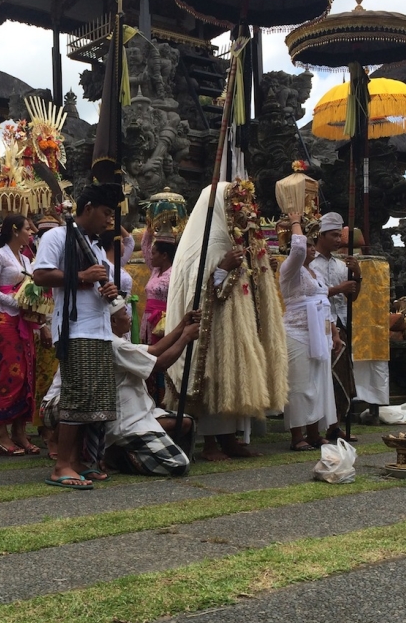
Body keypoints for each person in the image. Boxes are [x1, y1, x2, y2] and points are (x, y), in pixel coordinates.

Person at [164, 180, 288, 461]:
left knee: (234, 377)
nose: (241, 213)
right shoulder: (202, 242)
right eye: (235, 205)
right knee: (214, 377)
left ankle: (228, 439)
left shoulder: (233, 239)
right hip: (213, 326)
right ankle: (209, 444)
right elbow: (197, 287)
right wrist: (222, 268)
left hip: (237, 321)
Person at [33, 182, 122, 489]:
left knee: (93, 399)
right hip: (75, 329)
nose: (109, 220)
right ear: (88, 209)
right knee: (76, 395)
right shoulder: (56, 236)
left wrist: (108, 289)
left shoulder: (95, 246)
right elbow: (40, 274)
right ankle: (60, 465)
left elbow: (94, 285)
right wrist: (82, 276)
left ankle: (76, 461)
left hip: (99, 329)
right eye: (106, 213)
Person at [104, 298, 200, 477]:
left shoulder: (118, 341)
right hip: (128, 422)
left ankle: (147, 450)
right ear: (113, 321)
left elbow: (155, 349)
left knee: (186, 422)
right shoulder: (114, 345)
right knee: (178, 465)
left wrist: (182, 325)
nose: (130, 317)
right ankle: (117, 456)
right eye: (125, 313)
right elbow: (160, 364)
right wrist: (186, 337)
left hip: (142, 413)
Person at [280, 212, 340, 451]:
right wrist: (296, 222)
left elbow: (325, 303)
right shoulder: (290, 269)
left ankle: (315, 433)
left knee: (318, 385)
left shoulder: (316, 274)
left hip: (320, 335)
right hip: (297, 333)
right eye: (308, 242)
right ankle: (297, 435)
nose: (311, 247)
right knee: (299, 385)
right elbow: (297, 251)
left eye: (313, 243)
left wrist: (334, 333)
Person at [0, 215, 41, 455]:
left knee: (28, 373)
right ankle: (0, 430)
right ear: (15, 230)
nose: (31, 233)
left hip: (25, 321)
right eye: (28, 229)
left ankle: (19, 430)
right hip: (6, 318)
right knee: (12, 373)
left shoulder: (28, 260)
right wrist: (16, 302)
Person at [309, 212, 360, 442]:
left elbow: (353, 297)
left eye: (340, 235)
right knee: (322, 377)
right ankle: (315, 427)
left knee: (341, 376)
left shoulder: (342, 264)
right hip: (319, 323)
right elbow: (312, 292)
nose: (338, 240)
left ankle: (335, 424)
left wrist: (357, 276)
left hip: (341, 321)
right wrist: (339, 288)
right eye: (334, 235)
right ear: (321, 235)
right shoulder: (309, 263)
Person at [31, 214, 62, 459]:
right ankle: (44, 426)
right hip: (42, 325)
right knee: (44, 379)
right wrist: (42, 326)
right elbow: (32, 298)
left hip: (61, 323)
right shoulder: (36, 264)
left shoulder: (60, 261)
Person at [140, 226, 176, 345]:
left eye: (154, 253)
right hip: (148, 318)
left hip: (164, 320)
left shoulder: (175, 273)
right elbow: (145, 246)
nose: (151, 256)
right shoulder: (155, 271)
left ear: (164, 255)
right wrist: (150, 226)